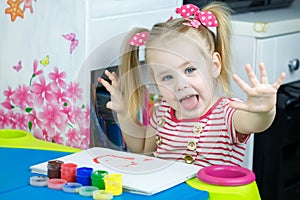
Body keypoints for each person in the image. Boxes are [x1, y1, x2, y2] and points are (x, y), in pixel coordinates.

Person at [99, 2, 285, 167]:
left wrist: (264, 110)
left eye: (189, 70)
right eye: (167, 77)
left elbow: (256, 123)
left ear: (214, 66)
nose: (181, 84)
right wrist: (124, 113)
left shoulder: (227, 113)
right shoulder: (163, 112)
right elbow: (141, 149)